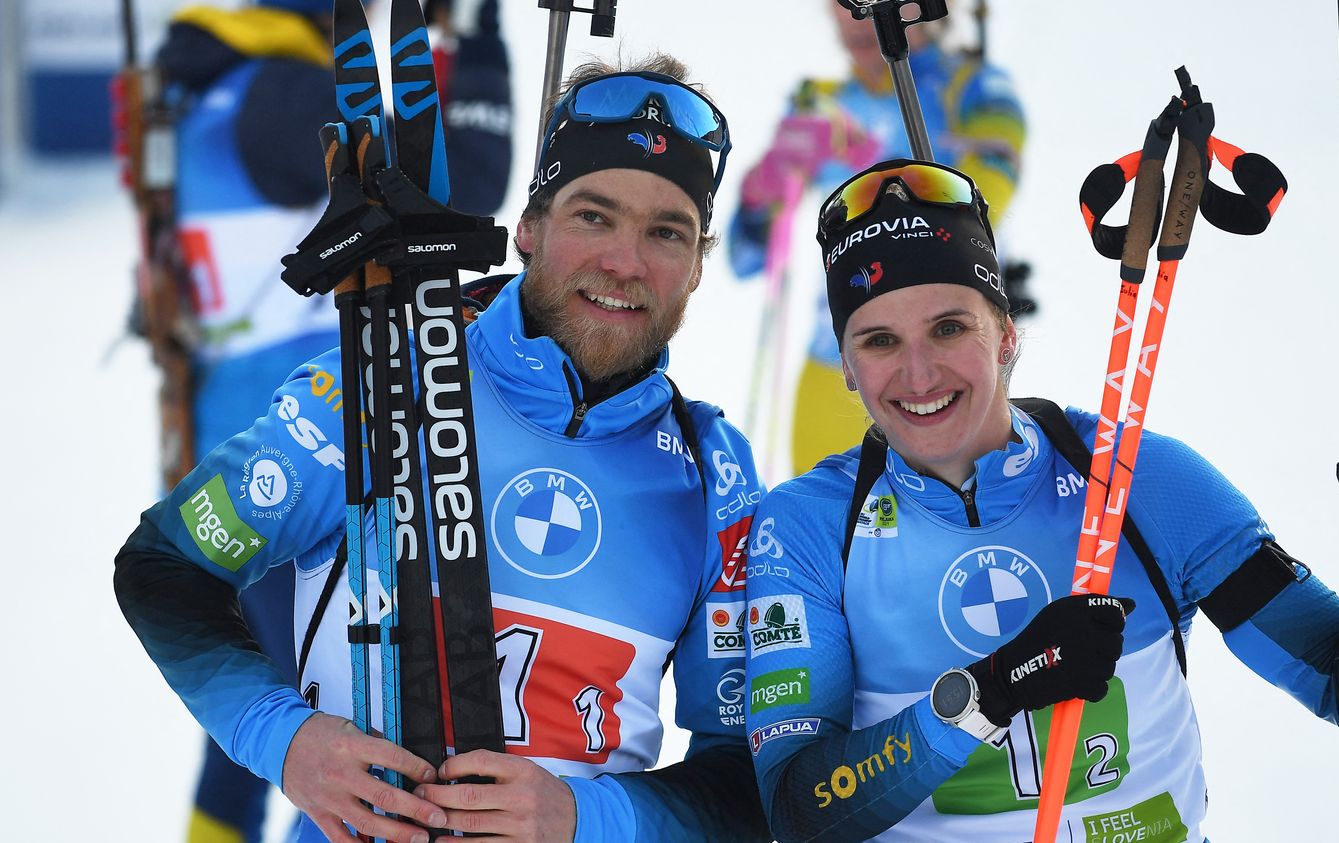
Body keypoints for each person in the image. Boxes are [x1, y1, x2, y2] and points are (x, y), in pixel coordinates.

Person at [740, 159, 1339, 841]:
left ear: (1006, 332)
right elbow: (801, 812)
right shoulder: (811, 526)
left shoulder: (1139, 478)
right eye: (878, 340)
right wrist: (990, 691)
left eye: (949, 326)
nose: (918, 373)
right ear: (844, 363)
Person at [116, 55, 770, 843]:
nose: (625, 263)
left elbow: (744, 775)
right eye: (593, 216)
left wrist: (582, 815)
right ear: (529, 227)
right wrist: (283, 739)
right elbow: (163, 564)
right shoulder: (381, 383)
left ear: (699, 264)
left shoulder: (714, 473)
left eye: (666, 232)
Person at [133, 1, 514, 841]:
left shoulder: (218, 86)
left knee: (256, 716)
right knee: (335, 739)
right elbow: (460, 197)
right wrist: (482, 57)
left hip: (271, 437)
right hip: (321, 458)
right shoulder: (281, 92)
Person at [727, 0, 1026, 477]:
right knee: (827, 531)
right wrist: (768, 184)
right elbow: (746, 256)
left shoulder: (977, 88)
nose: (855, 16)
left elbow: (984, 203)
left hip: (948, 356)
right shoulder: (820, 103)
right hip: (838, 366)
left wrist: (873, 154)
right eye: (842, 2)